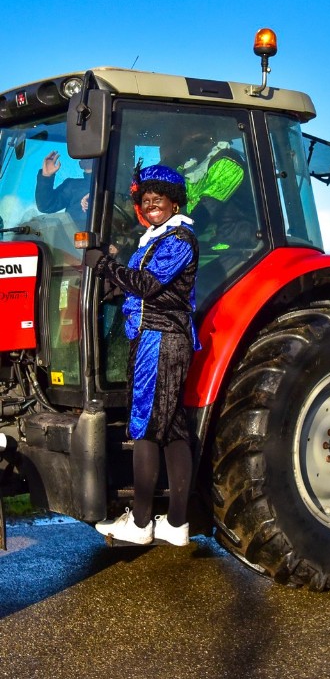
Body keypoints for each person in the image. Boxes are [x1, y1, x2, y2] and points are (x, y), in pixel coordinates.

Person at [86, 164, 200, 546]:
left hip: (161, 339)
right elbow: (140, 288)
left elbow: (148, 285)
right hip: (153, 336)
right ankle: (177, 523)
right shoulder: (155, 237)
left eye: (158, 200)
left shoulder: (179, 239)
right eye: (146, 201)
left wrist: (106, 266)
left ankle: (139, 523)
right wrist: (114, 285)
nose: (151, 206)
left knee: (147, 426)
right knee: (172, 428)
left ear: (174, 202)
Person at [162, 132, 257, 252]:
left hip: (233, 246)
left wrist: (172, 238)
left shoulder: (228, 162)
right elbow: (160, 194)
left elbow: (207, 209)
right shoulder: (189, 169)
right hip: (204, 244)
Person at [35, 151, 92, 222]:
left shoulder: (108, 190)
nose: (86, 160)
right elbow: (46, 206)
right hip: (75, 232)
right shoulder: (73, 186)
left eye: (89, 158)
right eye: (84, 158)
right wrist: (46, 177)